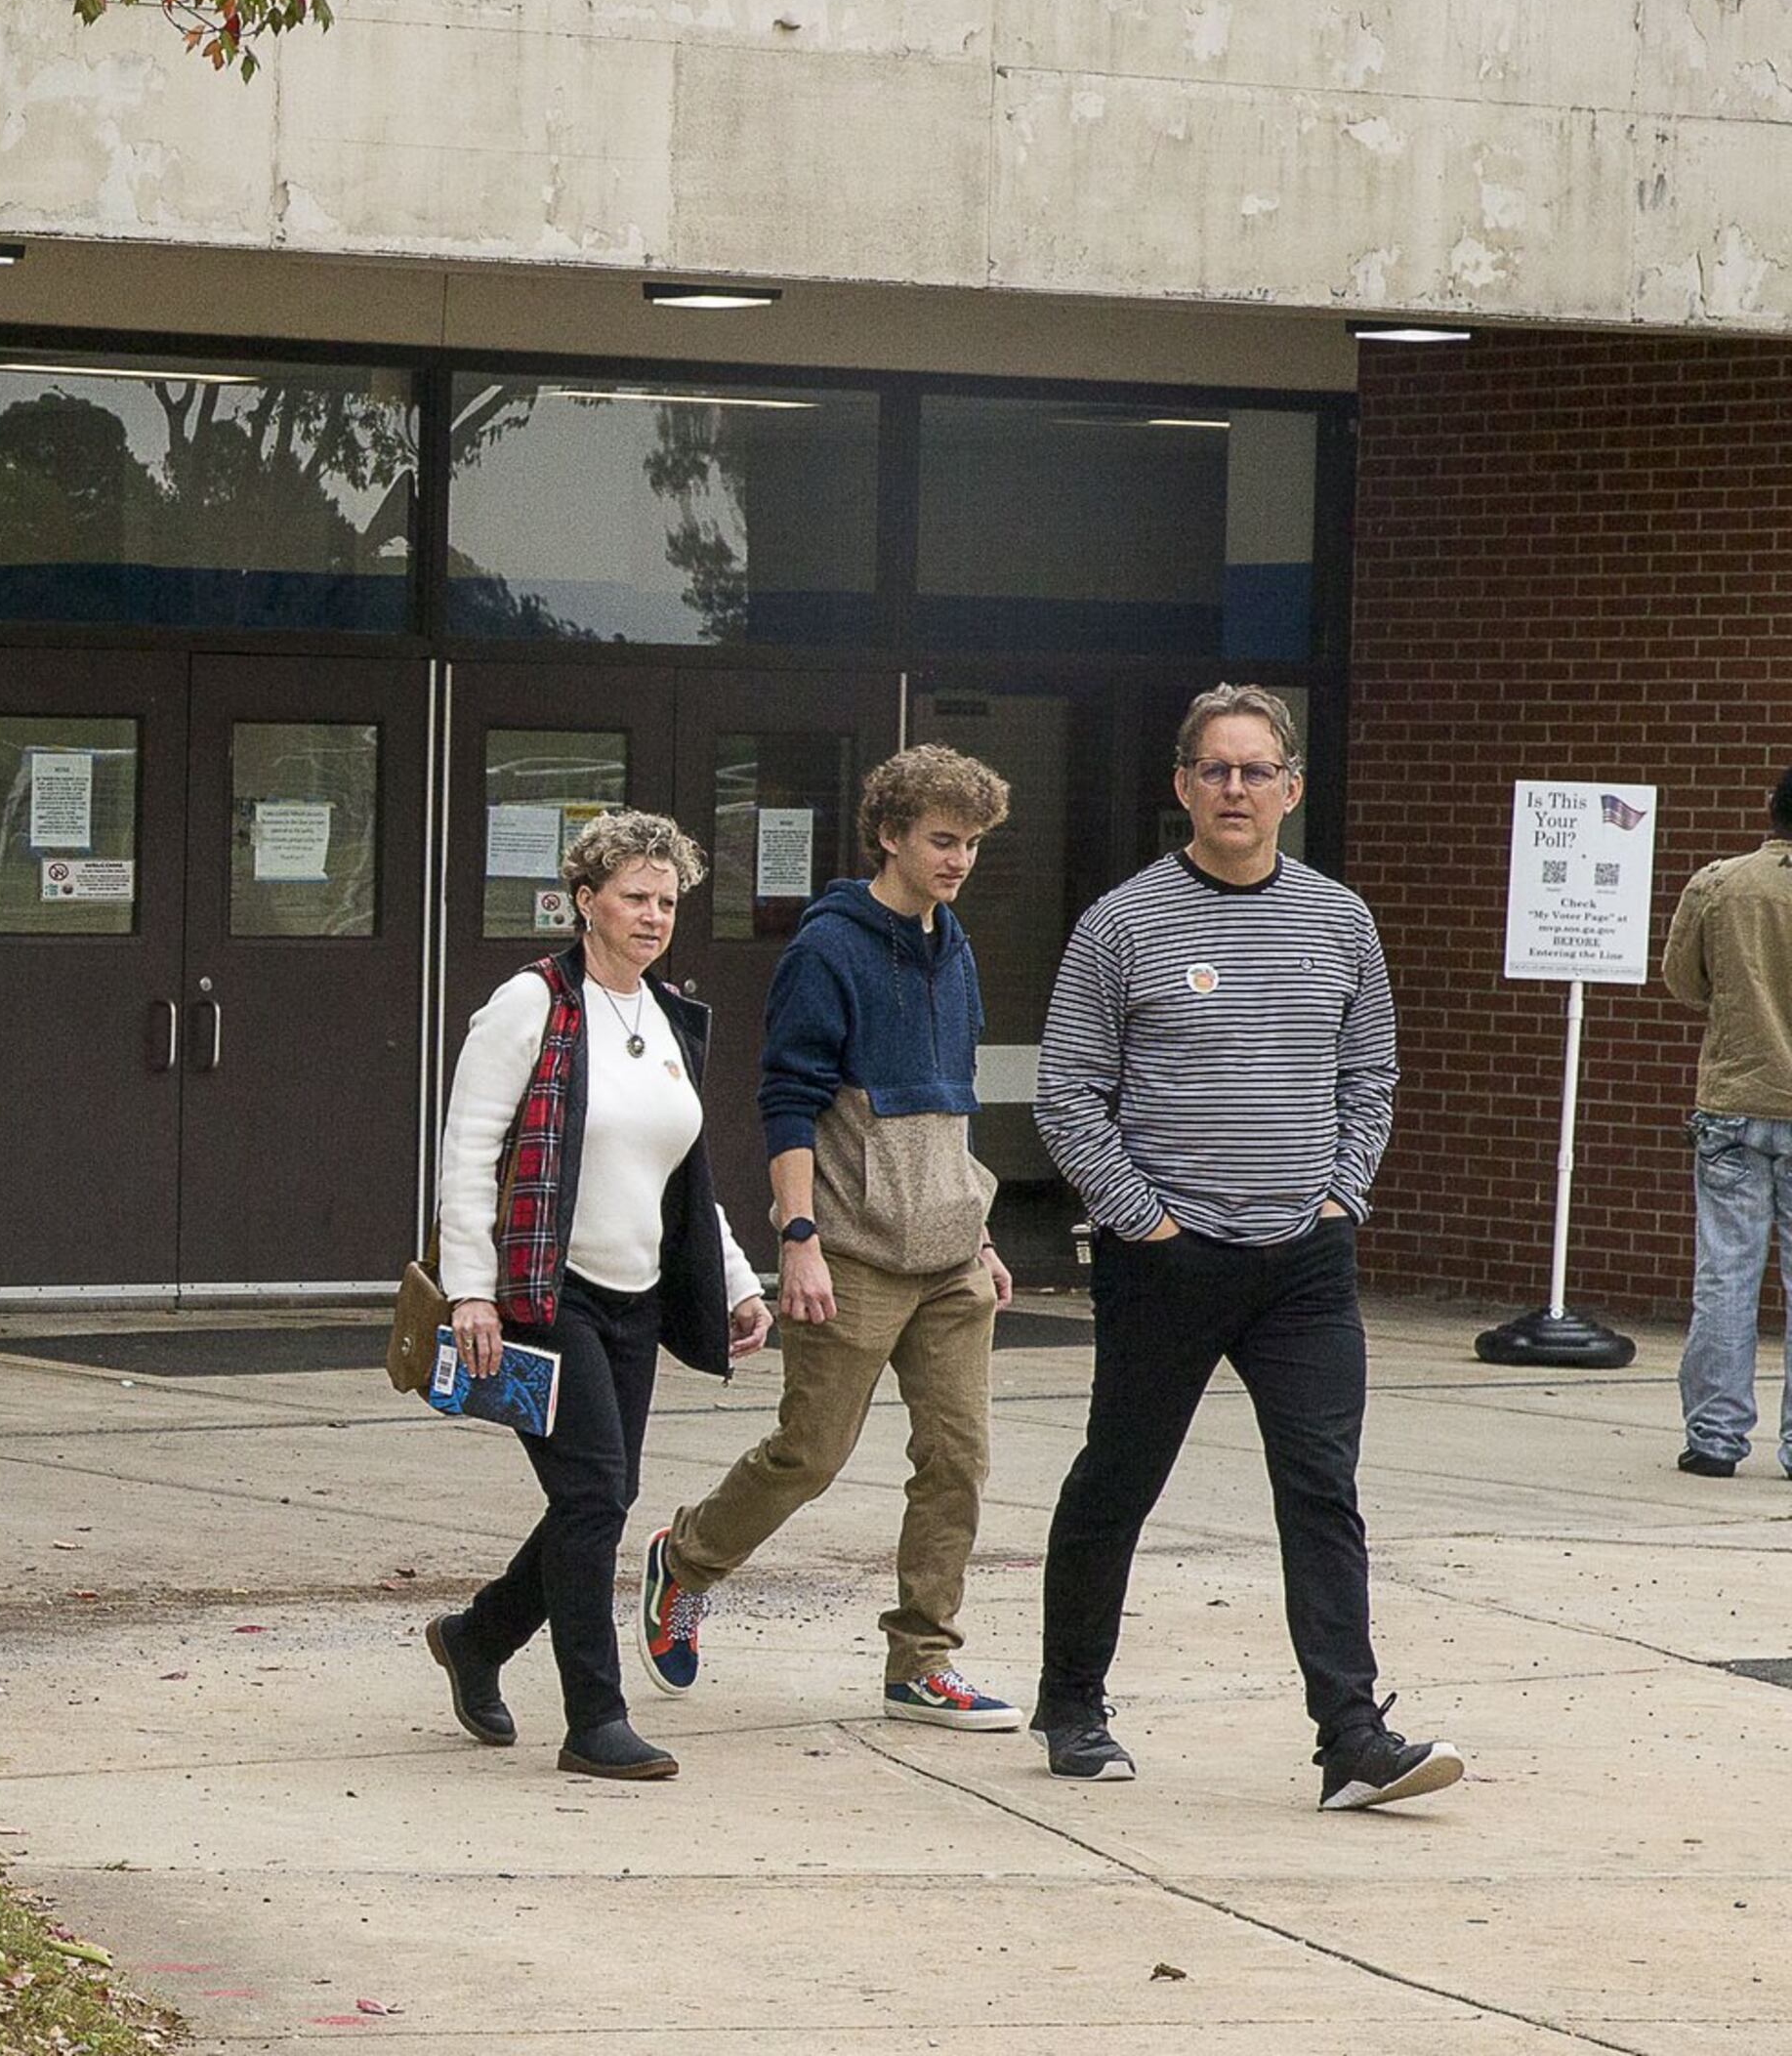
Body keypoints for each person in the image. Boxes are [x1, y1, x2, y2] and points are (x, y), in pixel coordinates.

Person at [1029, 684, 1463, 1811]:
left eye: (1256, 771)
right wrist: (1149, 1222)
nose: (1235, 789)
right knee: (1119, 1481)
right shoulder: (1123, 924)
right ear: (1181, 786)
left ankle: (1352, 1740)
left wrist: (1339, 1198)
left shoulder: (1339, 919)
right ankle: (1072, 1704)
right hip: (1165, 1261)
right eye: (1215, 770)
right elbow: (1069, 1096)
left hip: (1304, 1267)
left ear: (1292, 789)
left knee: (1322, 1491)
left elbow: (1370, 1075)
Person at [635, 746, 1021, 1729]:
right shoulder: (829, 951)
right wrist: (797, 1237)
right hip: (849, 1250)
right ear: (890, 833)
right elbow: (789, 1102)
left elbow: (949, 1107)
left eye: (971, 843)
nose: (959, 859)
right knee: (811, 1453)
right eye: (942, 839)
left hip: (949, 1260)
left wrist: (975, 1227)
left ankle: (920, 1661)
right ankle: (684, 1561)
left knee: (957, 1461)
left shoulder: (956, 945)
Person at [421, 810, 771, 1782]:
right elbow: (466, 1152)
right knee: (590, 1498)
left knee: (601, 1496)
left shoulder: (668, 1018)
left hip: (639, 1298)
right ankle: (594, 1720)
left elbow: (684, 1177)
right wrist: (469, 1293)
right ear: (586, 901)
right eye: (634, 897)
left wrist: (738, 1281)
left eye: (667, 900)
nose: (654, 916)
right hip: (546, 1292)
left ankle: (477, 1637)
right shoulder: (528, 1006)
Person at [1660, 765, 1792, 1479]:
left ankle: (1714, 1437)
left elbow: (1684, 981)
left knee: (1725, 1276)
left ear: (1771, 809)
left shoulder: (1720, 883)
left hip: (1735, 1102)